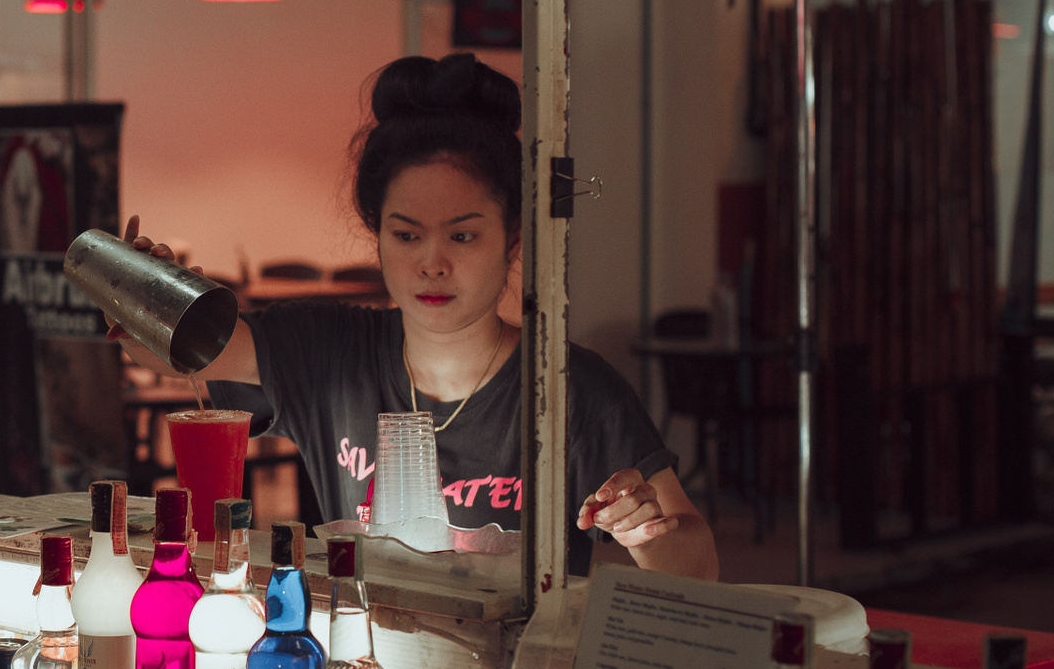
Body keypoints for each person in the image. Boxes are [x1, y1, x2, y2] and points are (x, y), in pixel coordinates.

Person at [113, 53, 719, 581]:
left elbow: (699, 565)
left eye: (462, 235)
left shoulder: (567, 389)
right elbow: (172, 347)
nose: (432, 263)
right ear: (377, 235)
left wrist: (644, 530)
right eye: (406, 235)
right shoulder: (329, 353)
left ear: (512, 238)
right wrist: (141, 291)